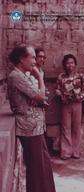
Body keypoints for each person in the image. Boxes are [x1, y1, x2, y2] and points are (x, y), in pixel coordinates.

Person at [7, 44, 56, 192]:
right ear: (22, 59)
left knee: (43, 166)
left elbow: (41, 96)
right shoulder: (16, 76)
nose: (35, 61)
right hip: (29, 129)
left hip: (35, 127)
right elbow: (40, 95)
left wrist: (39, 97)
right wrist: (40, 77)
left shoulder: (22, 76)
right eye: (33, 57)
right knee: (37, 169)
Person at [55, 54, 84, 160]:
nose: (70, 65)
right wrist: (59, 94)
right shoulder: (61, 77)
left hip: (77, 104)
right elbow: (57, 89)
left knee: (76, 128)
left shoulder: (81, 77)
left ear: (75, 64)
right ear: (65, 65)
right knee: (65, 128)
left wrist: (80, 97)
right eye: (68, 63)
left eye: (72, 63)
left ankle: (76, 151)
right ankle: (66, 152)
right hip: (65, 105)